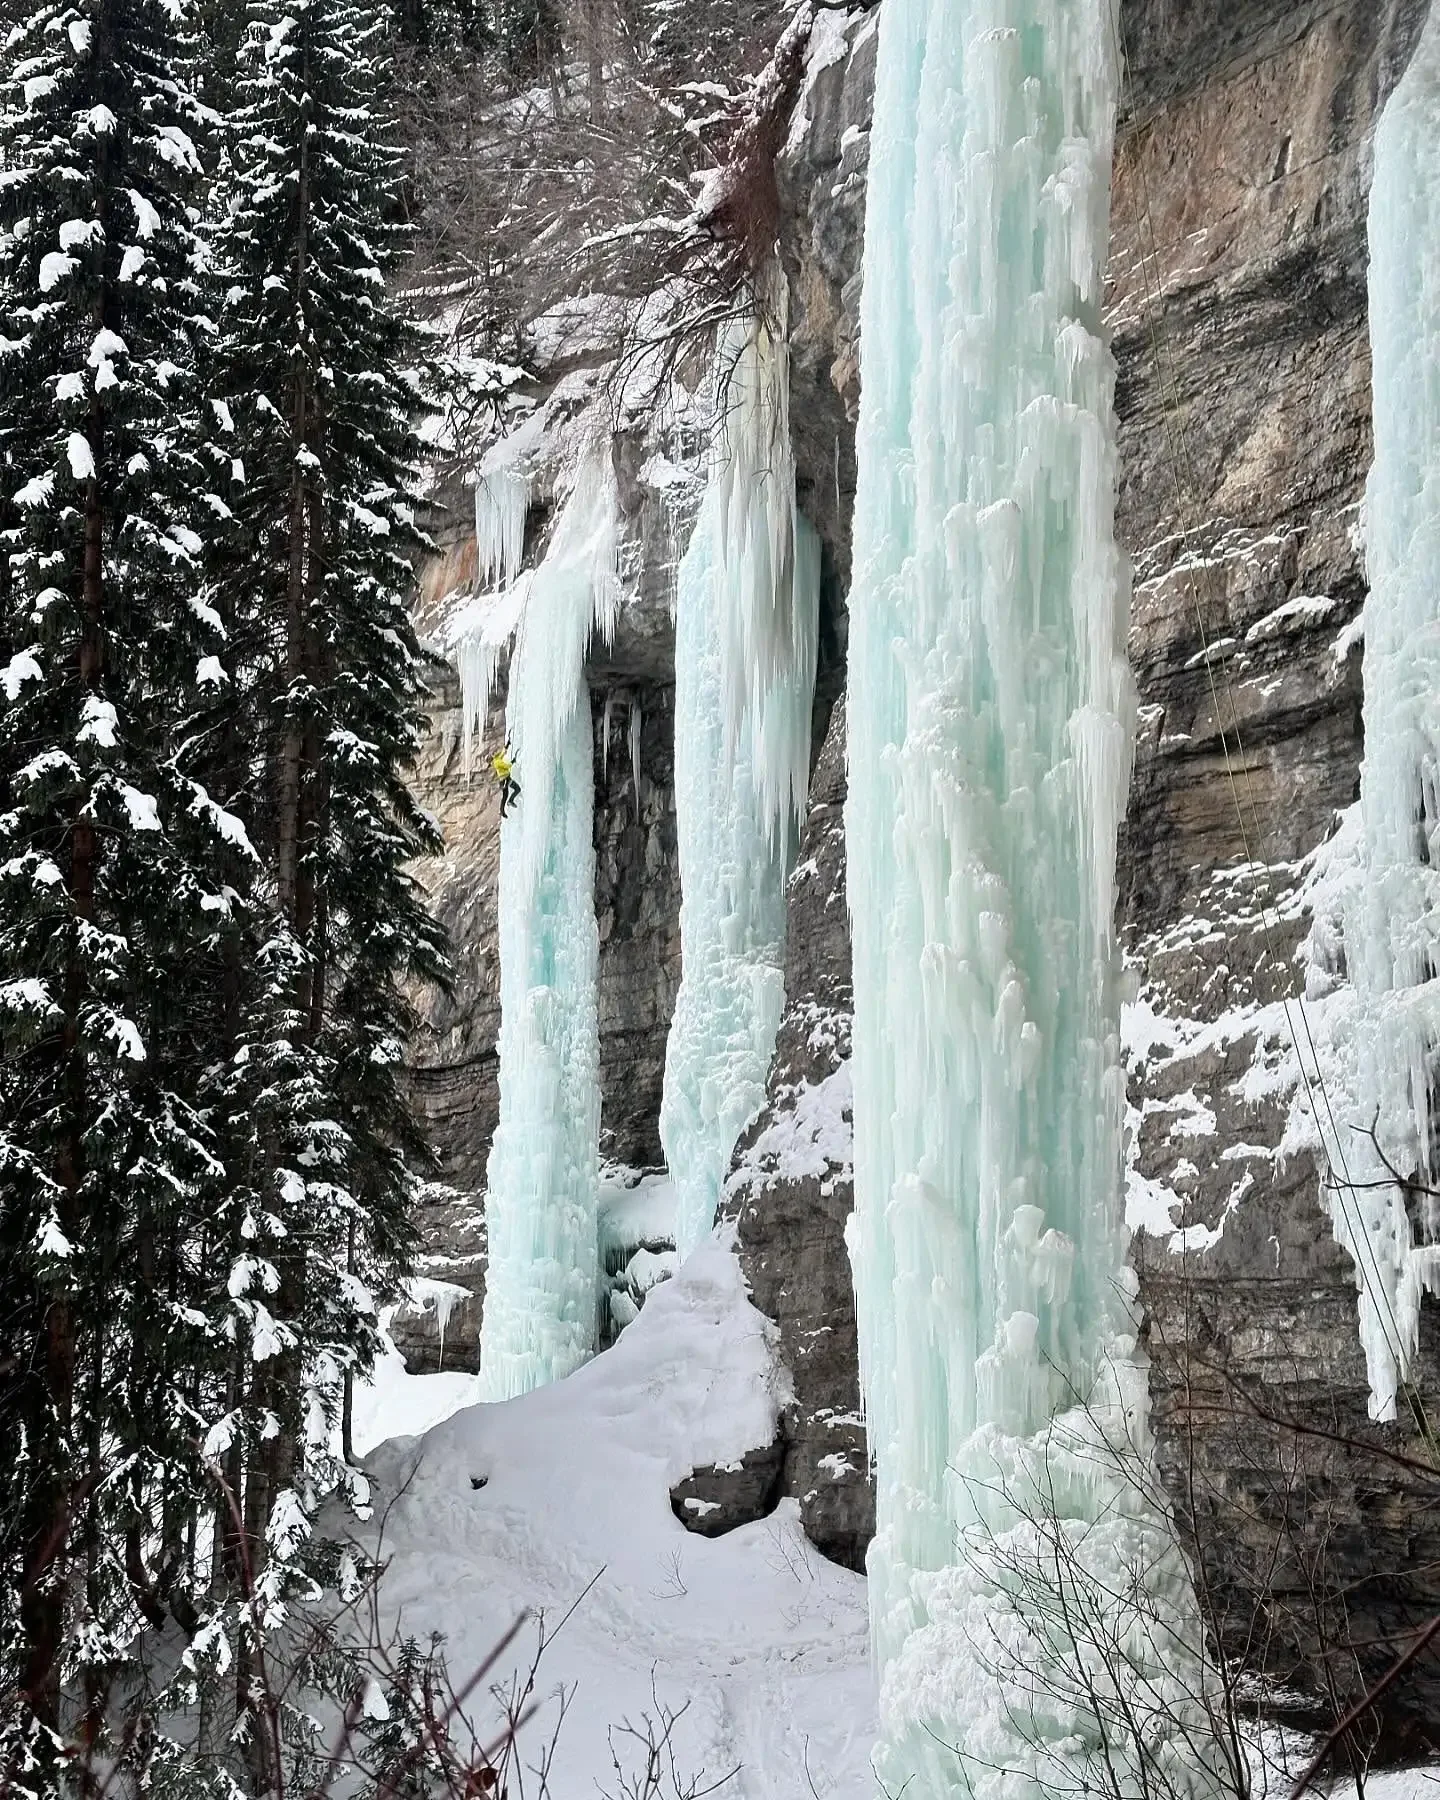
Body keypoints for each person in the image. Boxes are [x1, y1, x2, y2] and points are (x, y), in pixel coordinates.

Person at [492, 743, 520, 818]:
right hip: (505, 780)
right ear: (493, 756)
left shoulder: (497, 759)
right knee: (517, 789)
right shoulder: (497, 762)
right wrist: (513, 761)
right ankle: (508, 803)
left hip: (505, 780)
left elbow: (502, 753)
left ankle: (502, 810)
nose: (496, 752)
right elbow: (506, 766)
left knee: (506, 795)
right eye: (494, 753)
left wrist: (507, 745)